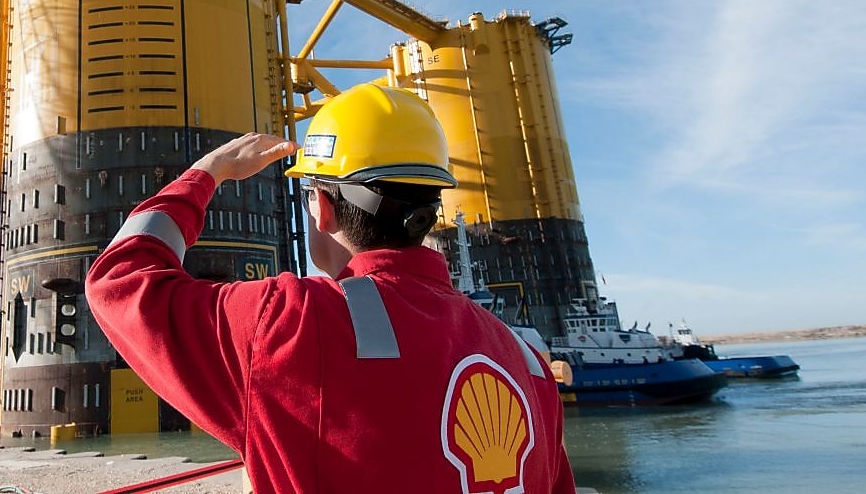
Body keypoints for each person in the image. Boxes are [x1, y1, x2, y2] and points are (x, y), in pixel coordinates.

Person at [87, 83, 575, 493]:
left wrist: (205, 174)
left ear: (320, 205)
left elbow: (120, 281)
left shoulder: (293, 323)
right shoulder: (526, 359)